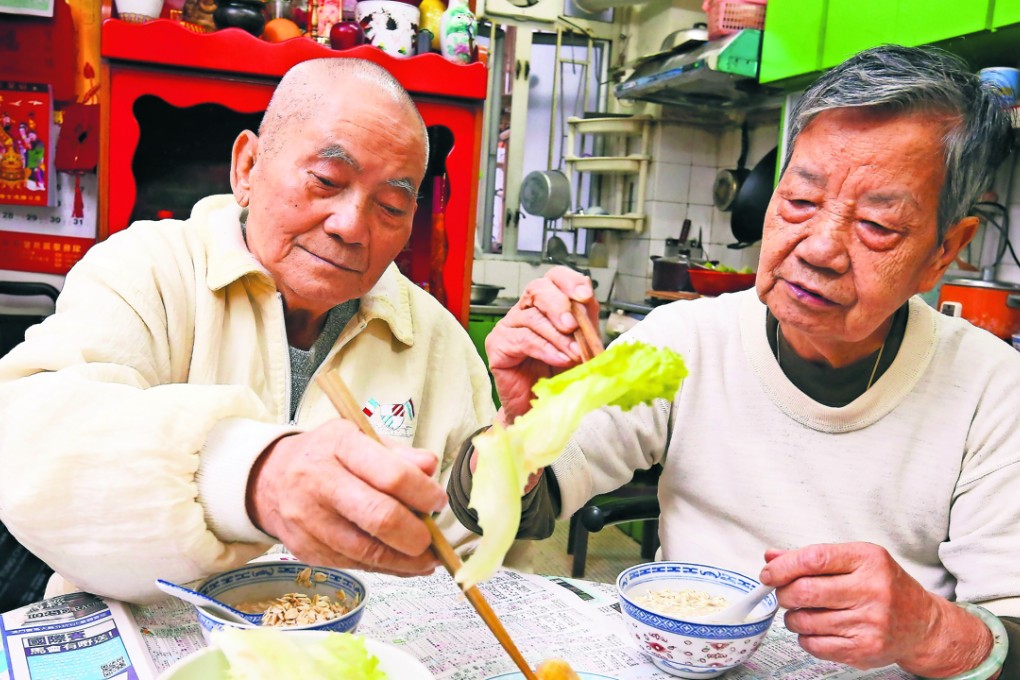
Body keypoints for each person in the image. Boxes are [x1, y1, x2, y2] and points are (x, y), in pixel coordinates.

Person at [462, 45, 1020, 677]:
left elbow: (1012, 631)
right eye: (800, 202)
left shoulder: (993, 390)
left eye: (877, 225)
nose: (820, 249)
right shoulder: (685, 340)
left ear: (944, 251)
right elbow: (515, 509)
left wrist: (931, 629)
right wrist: (520, 426)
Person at [0, 58, 506, 604]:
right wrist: (255, 477)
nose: (352, 226)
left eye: (390, 206)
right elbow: (30, 437)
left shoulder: (432, 335)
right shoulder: (149, 268)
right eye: (327, 181)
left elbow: (463, 537)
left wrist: (505, 459)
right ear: (247, 167)